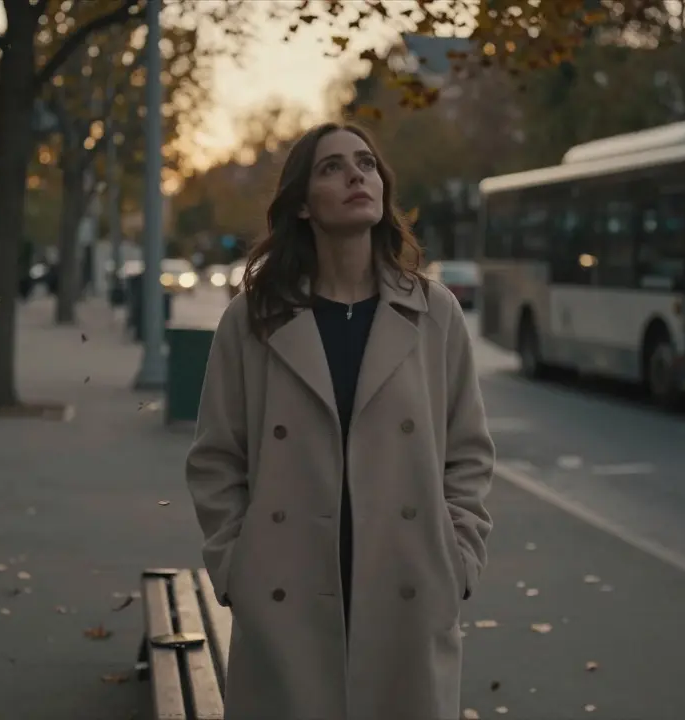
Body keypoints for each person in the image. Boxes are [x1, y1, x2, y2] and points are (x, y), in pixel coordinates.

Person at [184, 122, 495, 720]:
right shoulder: (253, 319)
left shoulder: (434, 313)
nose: (356, 175)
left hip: (407, 586)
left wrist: (458, 560)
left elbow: (469, 453)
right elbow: (216, 457)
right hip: (284, 593)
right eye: (332, 167)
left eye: (366, 164)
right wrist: (236, 568)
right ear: (302, 204)